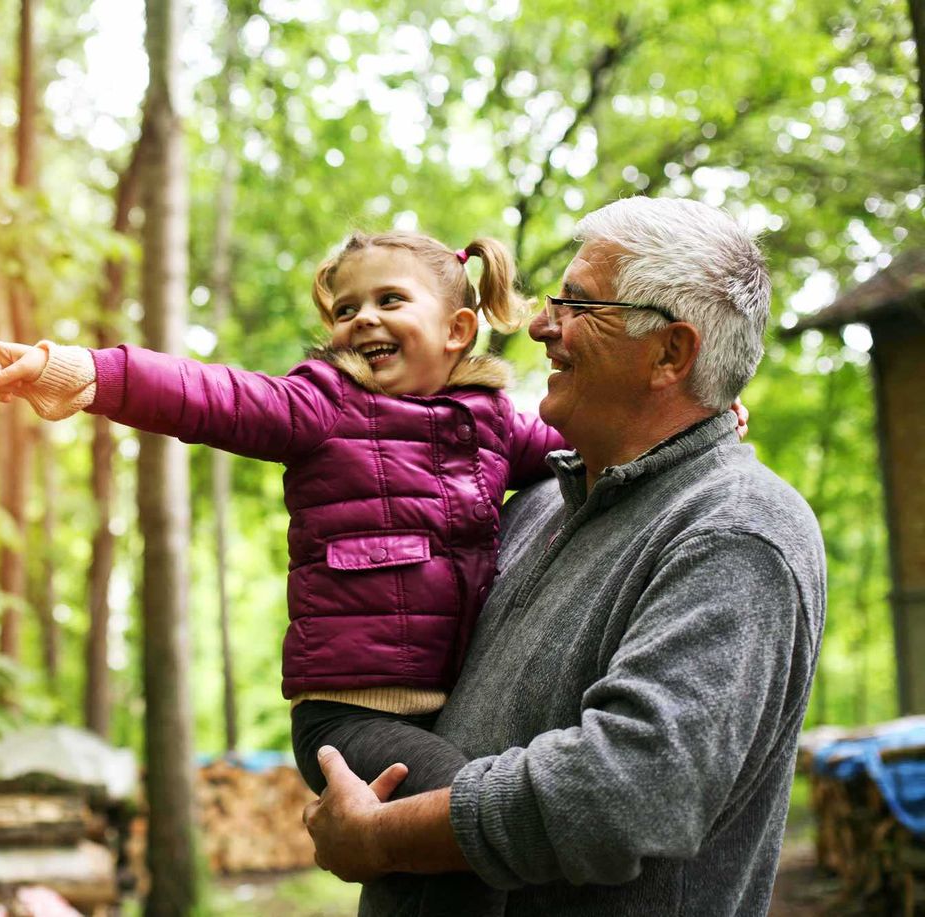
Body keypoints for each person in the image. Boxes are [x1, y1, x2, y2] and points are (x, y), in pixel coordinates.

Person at [302, 196, 827, 917]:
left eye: (577, 304)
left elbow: (632, 788)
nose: (541, 325)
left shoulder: (735, 529)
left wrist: (386, 837)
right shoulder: (540, 503)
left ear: (670, 353)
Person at [0, 231, 566, 800]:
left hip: (453, 702)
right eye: (347, 310)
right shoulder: (324, 405)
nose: (364, 319)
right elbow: (210, 396)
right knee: (475, 806)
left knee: (447, 862)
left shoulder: (490, 423)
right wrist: (83, 370)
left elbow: (577, 444)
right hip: (348, 716)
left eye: (390, 299)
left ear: (457, 329)